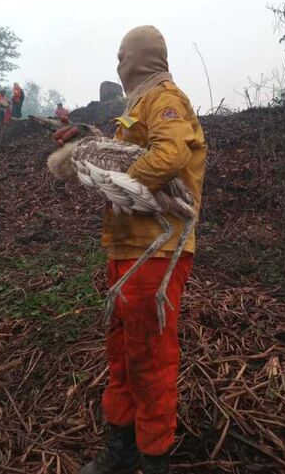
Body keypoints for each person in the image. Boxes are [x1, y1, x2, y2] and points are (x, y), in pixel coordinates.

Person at [58, 26, 206, 474]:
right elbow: (128, 154)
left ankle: (153, 459)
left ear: (138, 59)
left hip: (154, 256)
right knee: (122, 354)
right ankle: (120, 453)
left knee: (150, 360)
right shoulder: (139, 103)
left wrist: (125, 187)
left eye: (122, 56)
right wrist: (87, 141)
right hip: (127, 252)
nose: (118, 64)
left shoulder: (164, 99)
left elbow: (170, 153)